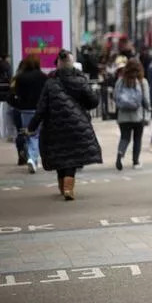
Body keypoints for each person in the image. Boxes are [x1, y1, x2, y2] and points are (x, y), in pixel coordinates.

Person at [27, 50, 102, 200]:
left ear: (58, 65)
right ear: (71, 64)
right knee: (72, 157)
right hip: (77, 124)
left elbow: (41, 108)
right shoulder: (80, 80)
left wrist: (32, 126)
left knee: (60, 154)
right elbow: (92, 102)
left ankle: (63, 186)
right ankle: (68, 188)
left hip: (53, 126)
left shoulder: (50, 83)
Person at [12, 54, 48, 173]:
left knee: (28, 133)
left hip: (25, 110)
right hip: (38, 110)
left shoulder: (20, 77)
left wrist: (18, 105)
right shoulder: (43, 77)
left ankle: (30, 157)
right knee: (36, 135)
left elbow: (14, 94)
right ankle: (32, 158)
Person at [114, 58, 151, 170]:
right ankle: (135, 162)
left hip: (123, 116)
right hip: (137, 116)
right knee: (137, 139)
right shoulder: (142, 81)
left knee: (125, 137)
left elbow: (115, 97)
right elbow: (146, 100)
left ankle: (120, 154)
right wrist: (148, 110)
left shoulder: (120, 81)